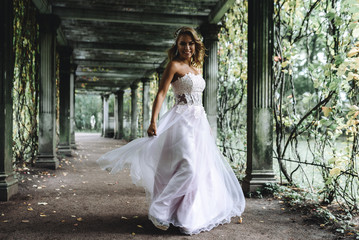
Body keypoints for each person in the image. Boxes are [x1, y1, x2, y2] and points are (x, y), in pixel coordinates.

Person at [97, 26, 245, 235]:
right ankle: (160, 209)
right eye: (183, 43)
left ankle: (185, 216)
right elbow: (161, 93)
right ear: (177, 46)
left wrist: (207, 127)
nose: (187, 47)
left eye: (190, 43)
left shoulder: (197, 68)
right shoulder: (173, 66)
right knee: (189, 168)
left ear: (196, 45)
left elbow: (199, 101)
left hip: (198, 123)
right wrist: (152, 121)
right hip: (180, 122)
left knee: (201, 170)